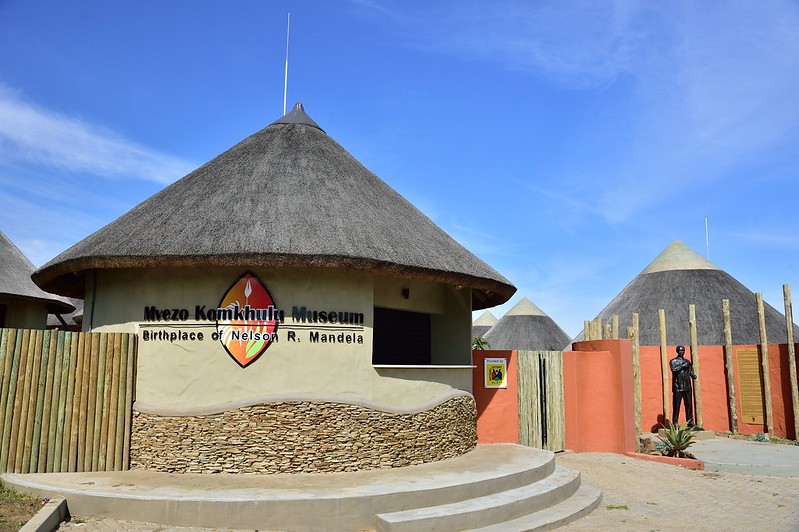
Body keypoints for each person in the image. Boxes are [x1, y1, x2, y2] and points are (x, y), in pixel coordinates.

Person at [669, 345, 697, 427]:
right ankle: (675, 422)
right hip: (677, 387)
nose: (682, 352)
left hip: (687, 386)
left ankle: (690, 421)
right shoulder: (673, 361)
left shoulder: (687, 361)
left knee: (689, 405)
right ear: (677, 351)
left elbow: (690, 371)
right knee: (676, 405)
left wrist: (693, 375)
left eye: (683, 350)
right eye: (680, 350)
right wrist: (682, 366)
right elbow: (673, 369)